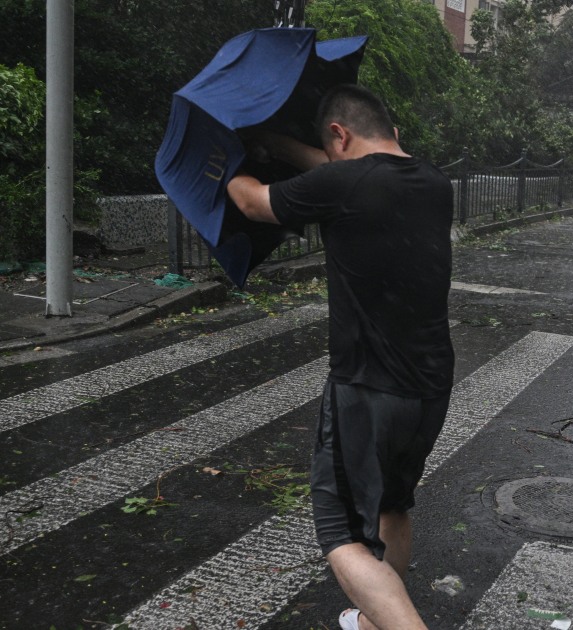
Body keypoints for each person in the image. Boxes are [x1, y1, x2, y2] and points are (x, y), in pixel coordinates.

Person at [227, 84, 455, 630]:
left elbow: (251, 202)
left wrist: (230, 161)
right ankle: (375, 622)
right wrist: (281, 145)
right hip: (430, 385)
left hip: (366, 386)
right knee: (393, 505)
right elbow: (345, 167)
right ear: (392, 134)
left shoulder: (343, 183)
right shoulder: (434, 182)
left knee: (340, 534)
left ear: (340, 135)